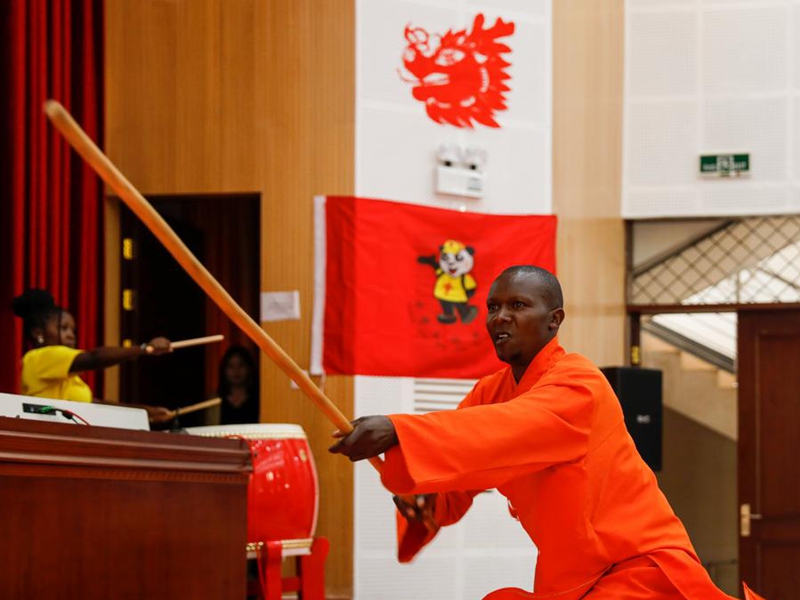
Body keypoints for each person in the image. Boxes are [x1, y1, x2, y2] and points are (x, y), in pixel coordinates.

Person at [329, 265, 745, 600]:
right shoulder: (490, 392)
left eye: (517, 305)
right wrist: (426, 503)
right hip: (571, 578)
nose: (500, 317)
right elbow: (460, 466)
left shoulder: (580, 383)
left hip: (637, 567)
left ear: (554, 319)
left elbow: (510, 429)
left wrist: (398, 429)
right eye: (493, 307)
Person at [12, 288, 174, 424]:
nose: (71, 336)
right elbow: (94, 358)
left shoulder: (66, 375)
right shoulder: (40, 357)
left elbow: (96, 406)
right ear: (38, 333)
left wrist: (146, 412)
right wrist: (145, 348)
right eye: (63, 328)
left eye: (73, 330)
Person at [215, 344, 260, 425]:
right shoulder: (215, 401)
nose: (236, 371)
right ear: (224, 370)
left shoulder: (259, 399)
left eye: (241, 365)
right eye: (231, 366)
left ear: (249, 368)